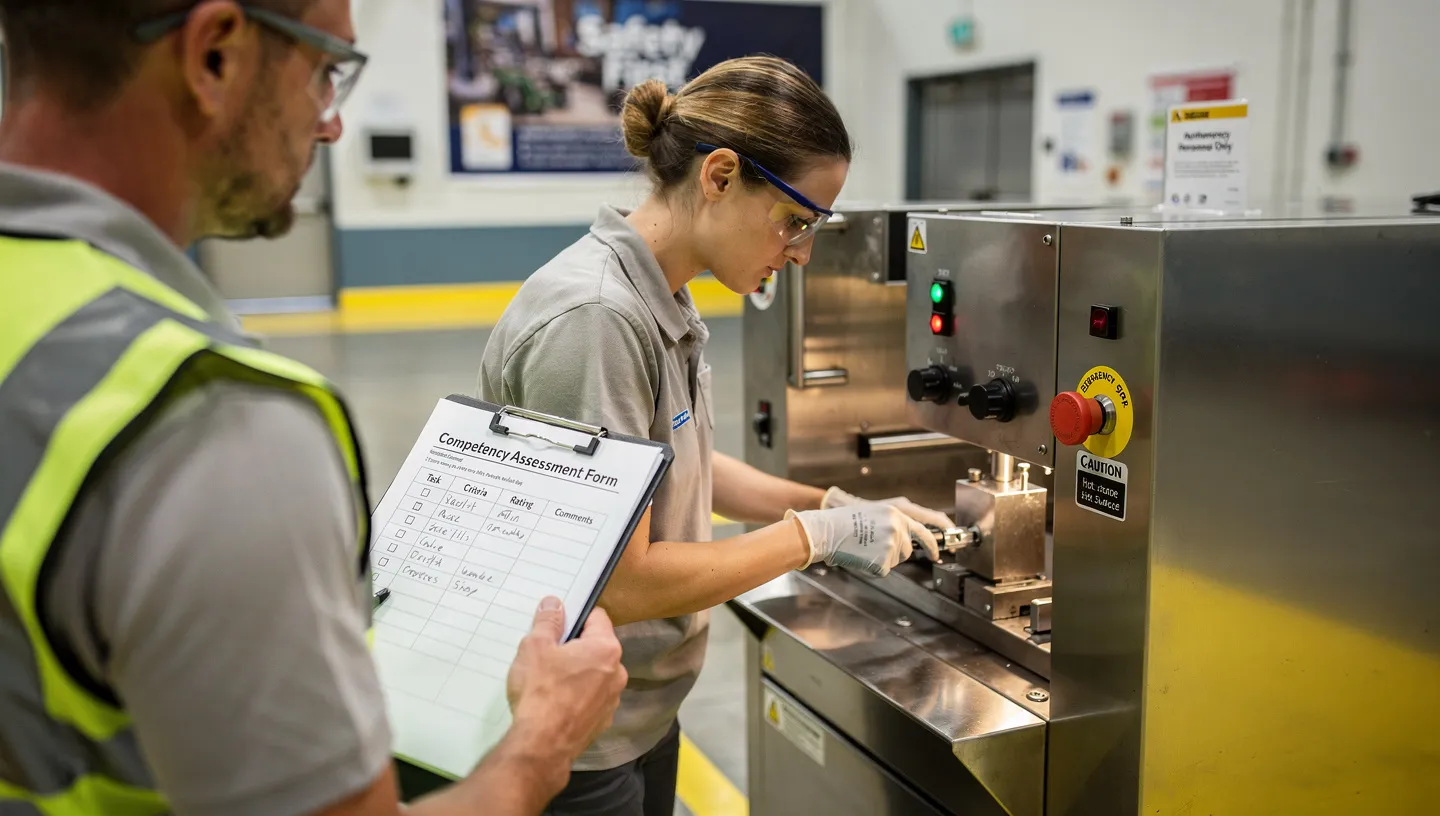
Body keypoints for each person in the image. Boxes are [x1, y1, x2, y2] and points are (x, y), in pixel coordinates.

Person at [0, 1, 626, 815]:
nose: (331, 127)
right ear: (215, 55)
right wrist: (540, 742)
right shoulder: (209, 423)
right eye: (326, 71)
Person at [477, 56, 956, 816]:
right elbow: (623, 579)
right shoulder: (599, 319)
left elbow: (678, 468)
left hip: (636, 710)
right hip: (575, 736)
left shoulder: (658, 295)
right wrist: (815, 534)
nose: (800, 253)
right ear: (722, 176)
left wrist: (826, 498)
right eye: (797, 221)